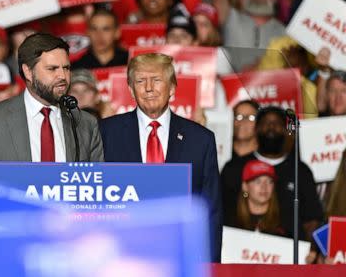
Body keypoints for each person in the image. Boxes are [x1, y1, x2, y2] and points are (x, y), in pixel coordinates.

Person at [99, 53, 222, 262]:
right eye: (140, 81)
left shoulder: (200, 139)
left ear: (172, 88)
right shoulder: (106, 133)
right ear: (130, 89)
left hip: (180, 256)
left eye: (156, 80)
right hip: (122, 258)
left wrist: (209, 267)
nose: (148, 88)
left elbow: (210, 211)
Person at [0, 33, 104, 172]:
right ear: (28, 72)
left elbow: (98, 185)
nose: (62, 76)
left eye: (66, 68)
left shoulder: (85, 123)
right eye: (52, 69)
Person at [221, 106, 324, 241]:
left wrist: (310, 249)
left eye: (277, 123)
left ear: (286, 131)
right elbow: (219, 212)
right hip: (237, 249)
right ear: (256, 129)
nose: (271, 127)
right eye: (266, 123)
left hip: (289, 254)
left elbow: (312, 219)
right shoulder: (234, 168)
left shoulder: (301, 171)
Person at [229, 160, 285, 236]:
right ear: (245, 186)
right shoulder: (231, 220)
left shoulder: (286, 221)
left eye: (269, 181)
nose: (264, 187)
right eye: (258, 181)